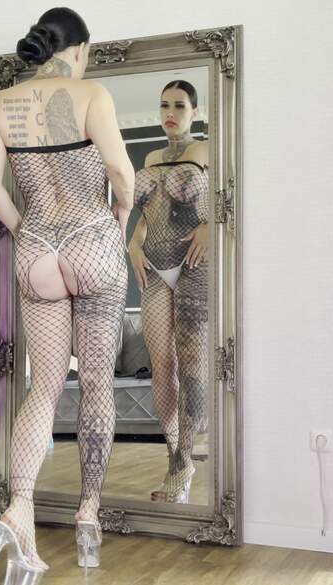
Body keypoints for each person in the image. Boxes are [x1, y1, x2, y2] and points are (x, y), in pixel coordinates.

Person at [0, 7, 134, 583]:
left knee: (42, 387)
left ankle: (19, 508)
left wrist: (25, 229)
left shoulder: (0, 104)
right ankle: (88, 517)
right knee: (95, 384)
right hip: (92, 238)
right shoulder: (92, 94)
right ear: (80, 49)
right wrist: (120, 219)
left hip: (37, 247)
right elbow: (120, 172)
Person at [127, 80, 210, 504]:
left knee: (192, 364)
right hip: (156, 268)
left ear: (194, 111)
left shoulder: (208, 149)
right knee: (162, 365)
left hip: (194, 264)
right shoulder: (150, 158)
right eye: (164, 106)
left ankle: (183, 464)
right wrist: (133, 243)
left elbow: (226, 200)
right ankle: (175, 455)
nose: (170, 113)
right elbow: (148, 212)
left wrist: (210, 227)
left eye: (179, 105)